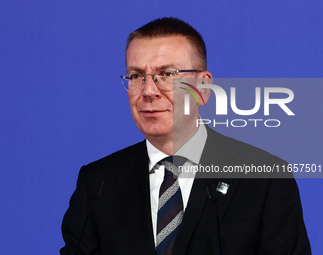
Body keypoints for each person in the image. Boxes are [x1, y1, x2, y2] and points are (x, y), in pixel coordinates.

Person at [60, 17, 311, 255]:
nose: (148, 91)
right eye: (136, 76)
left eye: (167, 74)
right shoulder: (98, 183)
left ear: (203, 88)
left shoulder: (265, 178)